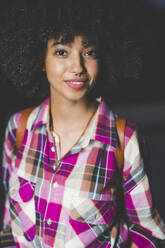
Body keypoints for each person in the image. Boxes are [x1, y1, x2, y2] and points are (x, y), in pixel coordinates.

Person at [0, 0, 165, 247]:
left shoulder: (123, 139)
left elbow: (148, 235)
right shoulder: (18, 128)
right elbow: (9, 228)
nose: (77, 67)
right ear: (39, 58)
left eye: (89, 52)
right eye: (62, 51)